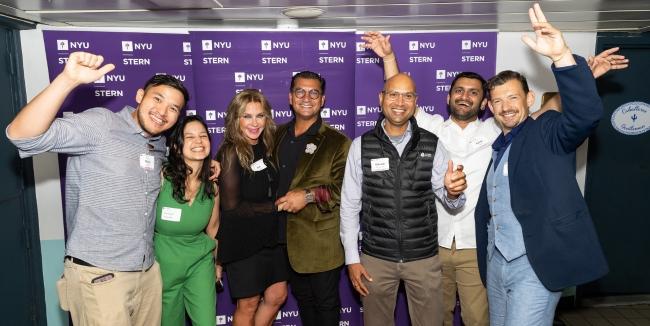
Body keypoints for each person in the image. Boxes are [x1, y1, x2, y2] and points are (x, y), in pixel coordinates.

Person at [6, 51, 188, 325]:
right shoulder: (102, 124)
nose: (162, 111)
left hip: (147, 274)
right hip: (100, 275)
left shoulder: (158, 144)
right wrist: (66, 80)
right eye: (157, 99)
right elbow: (22, 136)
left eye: (173, 108)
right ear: (140, 96)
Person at [474, 4, 609, 325]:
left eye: (513, 98)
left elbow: (585, 116)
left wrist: (561, 57)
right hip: (496, 263)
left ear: (529, 99)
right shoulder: (497, 147)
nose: (506, 107)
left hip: (535, 264)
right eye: (498, 100)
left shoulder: (546, 131)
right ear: (489, 107)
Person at [363, 31, 497, 326]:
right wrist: (388, 57)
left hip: (475, 244)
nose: (465, 96)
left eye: (474, 92)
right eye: (459, 90)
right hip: (432, 246)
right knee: (437, 318)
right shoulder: (431, 127)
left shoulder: (497, 133)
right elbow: (400, 99)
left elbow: (535, 118)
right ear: (448, 97)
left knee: (477, 318)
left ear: (485, 103)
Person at [340, 72, 468, 326]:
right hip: (376, 259)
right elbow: (349, 206)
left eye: (407, 96)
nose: (400, 102)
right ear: (381, 98)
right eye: (394, 94)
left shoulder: (432, 144)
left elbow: (451, 199)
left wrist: (454, 193)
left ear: (415, 102)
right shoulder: (361, 146)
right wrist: (352, 259)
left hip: (423, 258)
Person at [273, 71, 351, 326]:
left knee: (325, 307)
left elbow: (342, 190)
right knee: (304, 304)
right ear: (290, 97)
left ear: (323, 99)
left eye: (313, 92)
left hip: (320, 244)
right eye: (300, 92)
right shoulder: (275, 135)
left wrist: (307, 196)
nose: (306, 97)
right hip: (281, 241)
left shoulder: (337, 142)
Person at [216, 89, 288, 326]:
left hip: (271, 237)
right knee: (248, 304)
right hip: (243, 240)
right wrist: (276, 207)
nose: (254, 123)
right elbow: (232, 207)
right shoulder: (230, 152)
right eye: (247, 116)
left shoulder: (268, 146)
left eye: (260, 116)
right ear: (235, 119)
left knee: (277, 295)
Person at [155, 115, 219, 326]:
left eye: (203, 136)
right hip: (163, 266)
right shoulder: (161, 177)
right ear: (176, 145)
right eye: (189, 137)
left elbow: (213, 230)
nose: (198, 141)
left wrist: (217, 264)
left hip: (199, 263)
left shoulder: (213, 187)